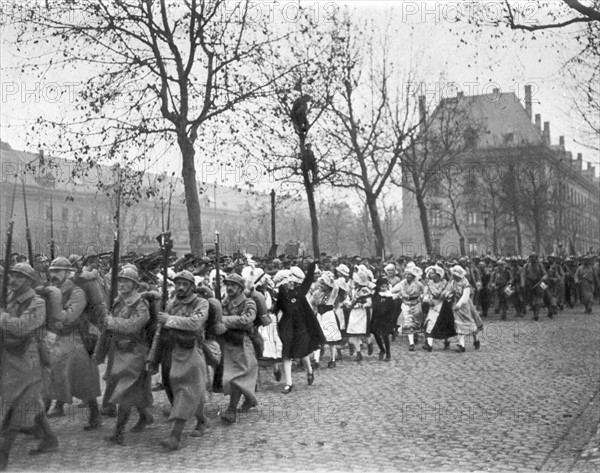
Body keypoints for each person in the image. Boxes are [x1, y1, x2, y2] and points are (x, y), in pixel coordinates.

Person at [0, 263, 58, 470]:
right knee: (29, 401)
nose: (12, 280)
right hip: (9, 359)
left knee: (17, 406)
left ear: (28, 280)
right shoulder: (9, 296)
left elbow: (23, 326)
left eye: (18, 277)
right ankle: (50, 438)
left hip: (28, 360)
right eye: (11, 275)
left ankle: (3, 453)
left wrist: (2, 316)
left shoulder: (37, 302)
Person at [44, 257, 102, 430]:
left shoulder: (77, 292)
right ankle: (53, 409)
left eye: (58, 271)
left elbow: (69, 316)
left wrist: (53, 302)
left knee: (84, 379)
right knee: (52, 375)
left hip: (77, 338)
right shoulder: (53, 289)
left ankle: (95, 415)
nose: (53, 275)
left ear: (68, 273)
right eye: (52, 271)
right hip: (57, 337)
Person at [156, 270, 209, 450]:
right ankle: (201, 419)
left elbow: (195, 323)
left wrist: (169, 319)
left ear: (192, 287)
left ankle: (175, 437)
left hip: (192, 352)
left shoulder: (201, 303)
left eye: (184, 284)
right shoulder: (171, 304)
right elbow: (159, 332)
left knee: (187, 392)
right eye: (177, 283)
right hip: (172, 352)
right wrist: (152, 358)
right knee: (183, 392)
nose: (180, 287)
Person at [101, 267, 152, 446]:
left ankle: (118, 431)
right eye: (120, 281)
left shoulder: (141, 305)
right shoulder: (117, 301)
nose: (122, 284)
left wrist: (112, 322)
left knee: (125, 393)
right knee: (132, 391)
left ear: (135, 285)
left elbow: (134, 326)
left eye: (126, 281)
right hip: (120, 352)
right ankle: (145, 416)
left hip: (136, 353)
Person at [273, 262, 325, 394]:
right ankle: (289, 383)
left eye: (292, 281)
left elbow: (307, 282)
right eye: (287, 281)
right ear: (282, 283)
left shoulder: (299, 292)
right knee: (286, 354)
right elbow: (276, 310)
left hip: (300, 326)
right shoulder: (280, 296)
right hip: (286, 326)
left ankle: (309, 371)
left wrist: (311, 267)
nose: (291, 283)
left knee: (302, 352)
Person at [220, 274, 258, 422]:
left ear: (241, 288)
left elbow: (246, 320)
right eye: (228, 285)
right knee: (230, 375)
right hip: (226, 342)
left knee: (238, 376)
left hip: (243, 342)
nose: (229, 288)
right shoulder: (223, 303)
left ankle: (231, 409)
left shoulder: (248, 303)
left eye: (233, 285)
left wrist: (223, 320)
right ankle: (250, 398)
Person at [446, 265, 480, 352]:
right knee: (458, 324)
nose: (452, 275)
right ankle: (461, 345)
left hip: (464, 305)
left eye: (454, 274)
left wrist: (459, 304)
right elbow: (449, 290)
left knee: (469, 322)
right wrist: (448, 295)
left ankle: (476, 339)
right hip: (456, 304)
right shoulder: (453, 282)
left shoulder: (465, 283)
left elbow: (465, 296)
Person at [391, 263, 424, 351]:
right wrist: (396, 292)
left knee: (416, 322)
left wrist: (423, 297)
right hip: (406, 304)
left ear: (413, 276)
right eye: (406, 274)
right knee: (408, 322)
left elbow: (425, 292)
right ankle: (411, 343)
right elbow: (395, 290)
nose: (407, 276)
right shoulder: (403, 283)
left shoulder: (419, 284)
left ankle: (415, 334)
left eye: (409, 274)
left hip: (416, 304)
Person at [422, 265, 455, 351]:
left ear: (438, 274)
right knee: (430, 322)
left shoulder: (445, 283)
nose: (430, 274)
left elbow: (441, 294)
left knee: (444, 323)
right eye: (430, 273)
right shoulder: (429, 283)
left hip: (442, 305)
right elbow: (425, 293)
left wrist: (445, 296)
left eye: (432, 273)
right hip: (432, 304)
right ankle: (429, 344)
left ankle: (446, 342)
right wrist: (426, 299)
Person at [370, 278, 396, 361]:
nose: (384, 288)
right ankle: (382, 349)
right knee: (375, 332)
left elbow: (392, 308)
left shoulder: (389, 296)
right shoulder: (376, 295)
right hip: (376, 317)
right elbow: (373, 304)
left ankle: (388, 353)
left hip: (386, 318)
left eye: (385, 286)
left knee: (385, 335)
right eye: (382, 286)